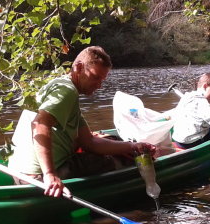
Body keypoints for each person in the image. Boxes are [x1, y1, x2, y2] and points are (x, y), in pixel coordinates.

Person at [22, 46, 156, 198]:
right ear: (79, 67)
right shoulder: (67, 91)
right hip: (39, 178)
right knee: (110, 160)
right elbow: (40, 124)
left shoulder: (60, 86)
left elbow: (89, 142)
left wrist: (132, 146)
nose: (99, 85)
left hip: (21, 174)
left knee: (109, 149)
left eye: (102, 80)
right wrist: (50, 174)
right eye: (95, 77)